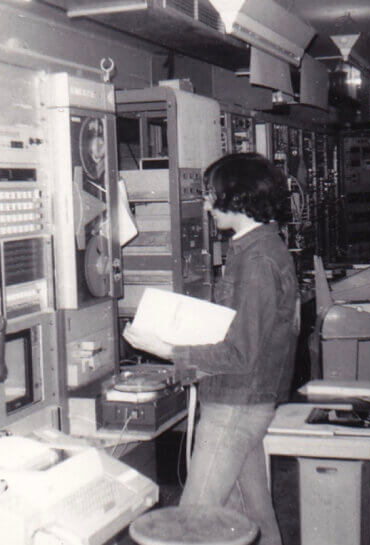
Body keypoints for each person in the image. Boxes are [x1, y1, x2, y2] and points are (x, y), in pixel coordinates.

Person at [123, 152, 299, 545]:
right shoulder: (258, 250)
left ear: (236, 198)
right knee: (253, 516)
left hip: (235, 408)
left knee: (192, 524)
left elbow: (239, 354)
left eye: (211, 195)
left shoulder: (256, 263)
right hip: (243, 402)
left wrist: (168, 349)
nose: (205, 204)